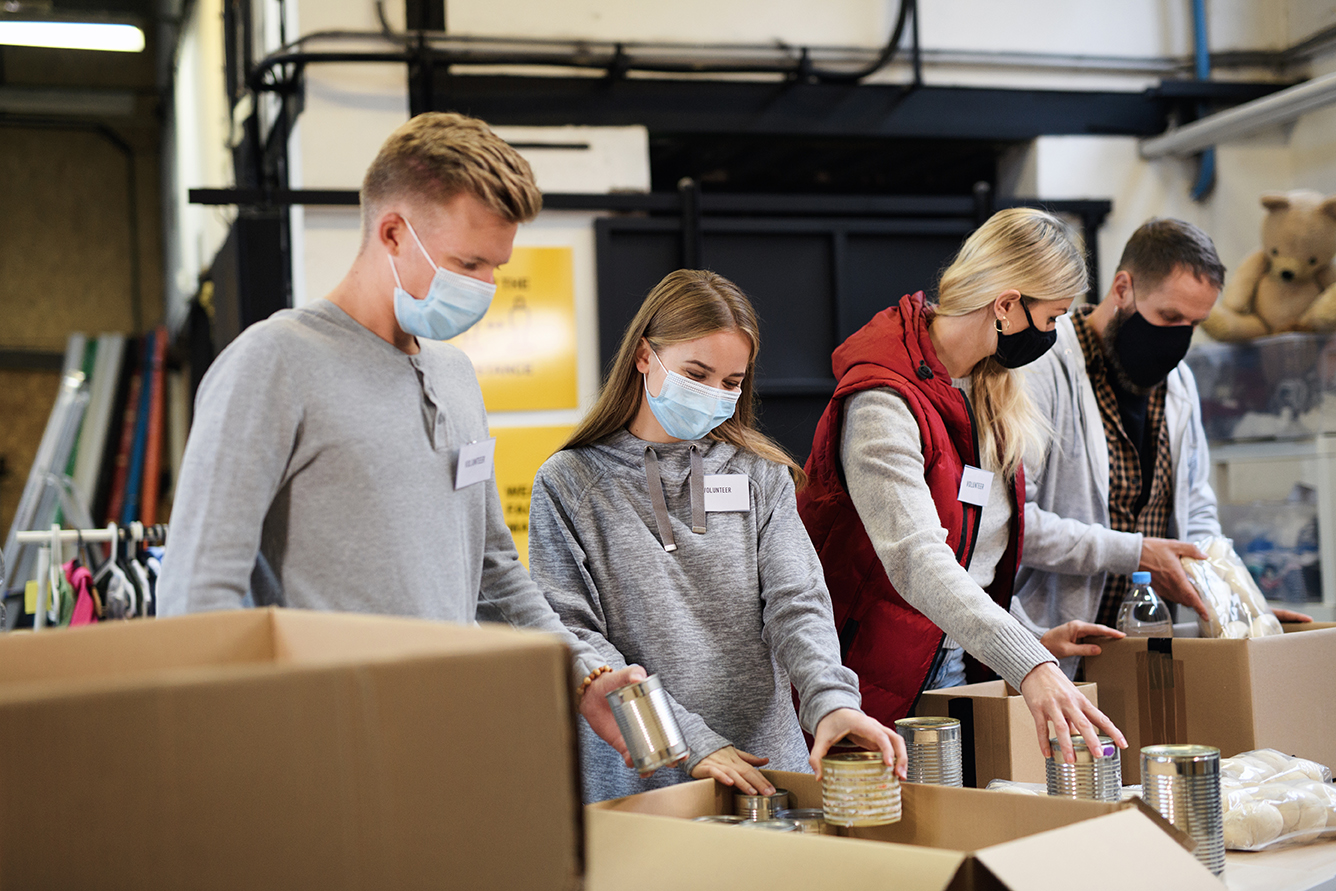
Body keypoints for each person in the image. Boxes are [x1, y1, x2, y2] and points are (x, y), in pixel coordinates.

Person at [156, 112, 639, 755]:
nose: (485, 288)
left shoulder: (456, 374)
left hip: (443, 737)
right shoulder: (274, 363)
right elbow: (197, 595)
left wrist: (583, 671)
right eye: (468, 263)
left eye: (496, 267)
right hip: (320, 748)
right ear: (392, 233)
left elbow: (494, 567)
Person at [527, 269, 907, 804]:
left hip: (767, 766)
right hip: (643, 775)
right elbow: (574, 637)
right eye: (696, 374)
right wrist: (690, 739)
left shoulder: (760, 473)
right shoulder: (569, 482)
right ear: (644, 356)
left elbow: (797, 603)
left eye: (731, 383)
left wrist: (832, 701)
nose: (713, 396)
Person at [799, 207, 1125, 764]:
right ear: (1005, 305)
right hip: (870, 673)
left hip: (954, 661)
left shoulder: (987, 386)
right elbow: (917, 558)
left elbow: (977, 547)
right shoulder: (883, 399)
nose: (1050, 336)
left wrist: (1027, 634)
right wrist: (1030, 664)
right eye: (1050, 319)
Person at [1012, 218, 1310, 674]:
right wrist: (1134, 552)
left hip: (1148, 650)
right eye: (1169, 317)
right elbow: (1016, 523)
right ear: (1123, 288)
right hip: (1053, 650)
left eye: (1195, 323)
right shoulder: (1044, 368)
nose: (1178, 338)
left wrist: (1241, 606)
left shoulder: (1179, 383)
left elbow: (1197, 511)